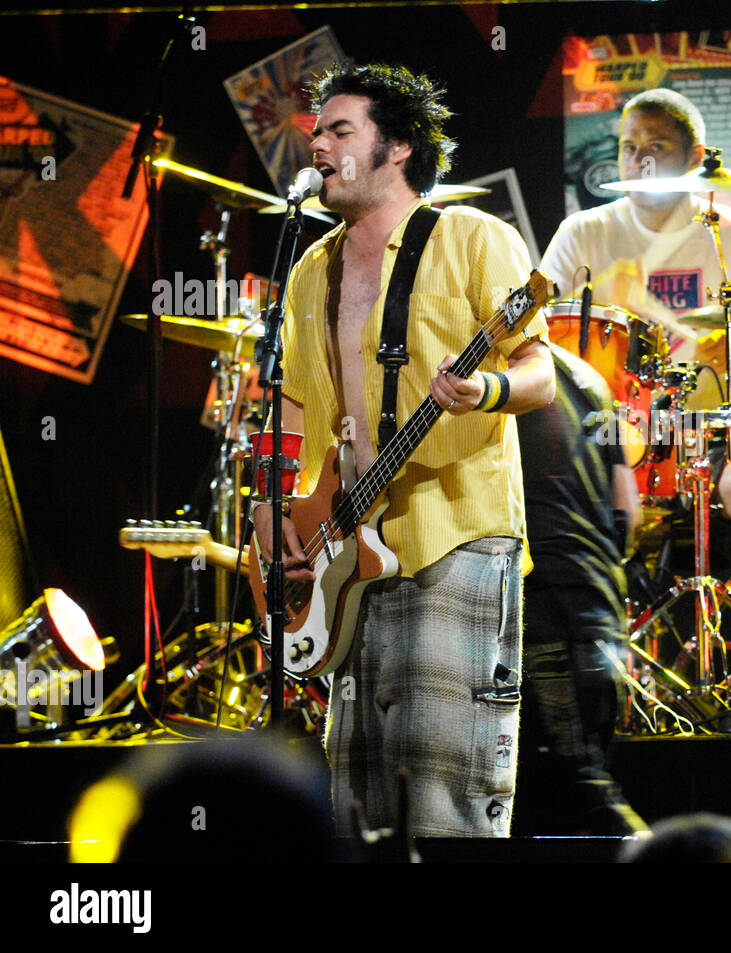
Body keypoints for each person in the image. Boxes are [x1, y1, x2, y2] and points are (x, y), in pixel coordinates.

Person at [252, 63, 554, 838]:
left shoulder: (475, 237)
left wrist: (484, 392)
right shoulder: (310, 269)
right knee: (358, 802)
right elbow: (290, 404)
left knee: (443, 795)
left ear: (399, 149)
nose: (315, 144)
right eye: (316, 130)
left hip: (451, 533)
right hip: (344, 545)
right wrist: (271, 507)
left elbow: (538, 371)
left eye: (338, 130)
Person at [541, 87, 731, 585]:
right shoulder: (582, 233)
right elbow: (537, 340)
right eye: (629, 147)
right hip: (600, 437)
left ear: (695, 158)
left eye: (657, 147)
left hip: (703, 438)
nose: (639, 161)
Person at [512, 345, 648, 836]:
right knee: (561, 803)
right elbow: (627, 510)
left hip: (546, 613)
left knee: (582, 798)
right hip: (601, 615)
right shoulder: (588, 377)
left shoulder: (492, 380)